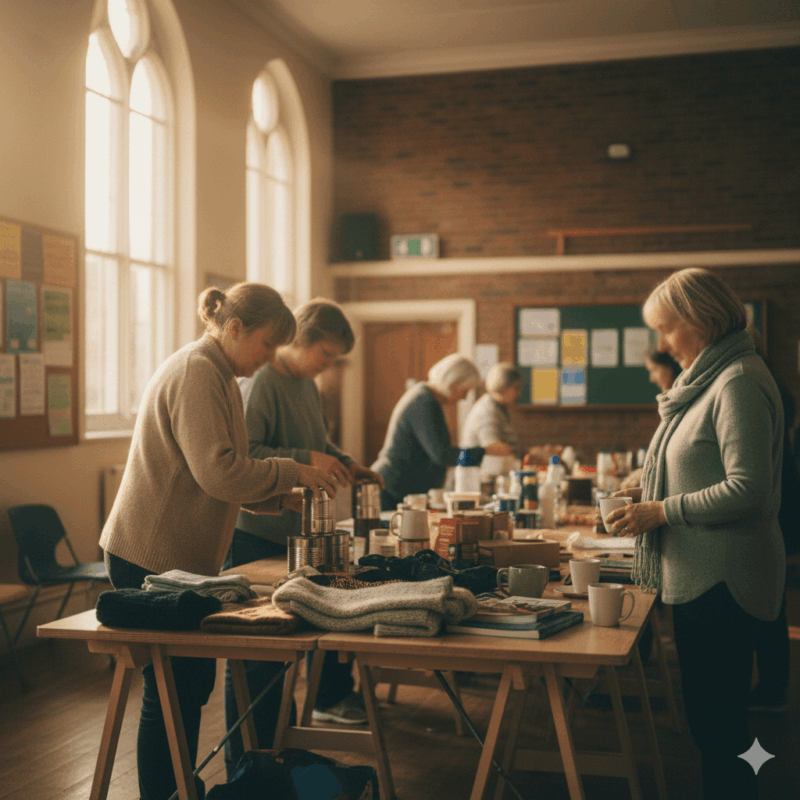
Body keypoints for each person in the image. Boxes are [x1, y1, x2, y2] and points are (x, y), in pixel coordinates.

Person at [99, 283, 338, 800]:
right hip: (147, 554)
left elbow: (226, 473)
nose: (271, 357)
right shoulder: (197, 372)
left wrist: (281, 498)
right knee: (171, 689)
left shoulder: (221, 371)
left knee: (186, 687)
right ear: (234, 328)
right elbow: (220, 473)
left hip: (178, 557)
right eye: (267, 345)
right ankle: (165, 793)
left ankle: (178, 789)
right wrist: (293, 469)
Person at [602, 267, 785, 800]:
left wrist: (663, 511)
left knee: (720, 727)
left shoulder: (739, 382)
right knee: (712, 724)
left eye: (667, 328)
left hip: (725, 580)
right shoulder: (714, 379)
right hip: (706, 575)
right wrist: (652, 500)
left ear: (701, 319)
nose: (663, 343)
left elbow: (748, 489)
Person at [224, 299, 384, 774]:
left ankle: (280, 756)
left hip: (296, 534)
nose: (328, 366)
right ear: (302, 340)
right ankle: (252, 764)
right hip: (257, 533)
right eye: (327, 355)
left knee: (286, 654)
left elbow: (320, 442)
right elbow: (249, 453)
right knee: (260, 661)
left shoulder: (307, 385)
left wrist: (347, 461)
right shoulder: (264, 381)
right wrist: (308, 457)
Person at [371, 353, 508, 511]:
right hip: (393, 489)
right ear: (453, 383)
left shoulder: (428, 399)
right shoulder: (423, 402)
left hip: (401, 489)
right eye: (465, 390)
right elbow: (442, 454)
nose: (464, 397)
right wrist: (485, 451)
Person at [747, 324, 798, 713]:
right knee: (770, 601)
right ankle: (773, 687)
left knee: (768, 604)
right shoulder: (774, 382)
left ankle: (772, 690)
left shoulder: (754, 384)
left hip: (771, 508)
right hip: (780, 502)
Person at [460, 362, 521, 479]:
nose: (519, 393)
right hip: (478, 480)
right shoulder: (487, 411)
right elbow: (493, 446)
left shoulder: (499, 407)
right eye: (516, 388)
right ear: (503, 387)